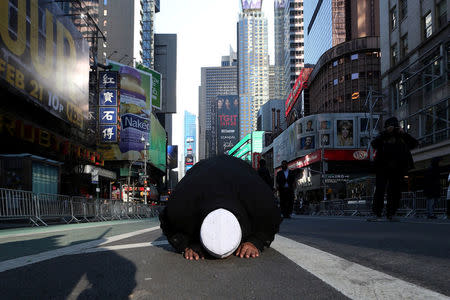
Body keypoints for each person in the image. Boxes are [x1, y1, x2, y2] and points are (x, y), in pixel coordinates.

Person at [159, 155, 281, 260]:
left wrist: (256, 241)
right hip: (201, 171)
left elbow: (273, 217)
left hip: (240, 169)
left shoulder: (259, 201)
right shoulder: (182, 205)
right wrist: (187, 243)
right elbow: (167, 221)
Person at [369, 117, 418, 221]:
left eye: (395, 126)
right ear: (386, 127)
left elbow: (414, 144)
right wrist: (386, 133)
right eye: (391, 126)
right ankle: (377, 213)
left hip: (397, 167)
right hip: (382, 167)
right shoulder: (382, 136)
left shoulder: (401, 136)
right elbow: (374, 144)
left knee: (395, 191)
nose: (393, 129)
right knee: (380, 190)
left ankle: (391, 213)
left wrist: (403, 133)